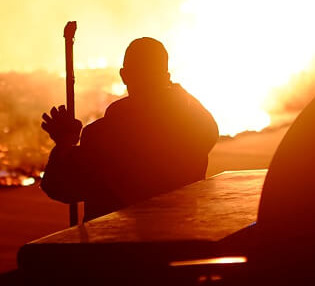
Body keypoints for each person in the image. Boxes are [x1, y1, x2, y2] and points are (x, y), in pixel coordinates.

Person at [40, 37, 219, 221]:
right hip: (180, 241)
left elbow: (59, 187)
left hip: (118, 245)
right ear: (167, 77)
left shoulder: (104, 135)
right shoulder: (198, 128)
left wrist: (63, 144)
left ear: (124, 75)